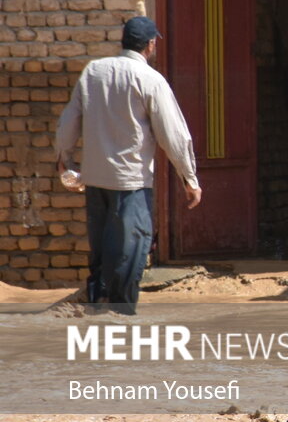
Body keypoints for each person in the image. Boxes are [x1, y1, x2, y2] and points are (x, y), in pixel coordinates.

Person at [54, 16, 202, 315]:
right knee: (129, 255)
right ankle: (120, 321)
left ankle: (96, 314)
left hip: (95, 182)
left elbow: (69, 122)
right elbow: (173, 134)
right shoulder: (150, 80)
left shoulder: (94, 72)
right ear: (150, 44)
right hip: (130, 185)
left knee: (101, 253)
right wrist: (189, 178)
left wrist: (64, 159)